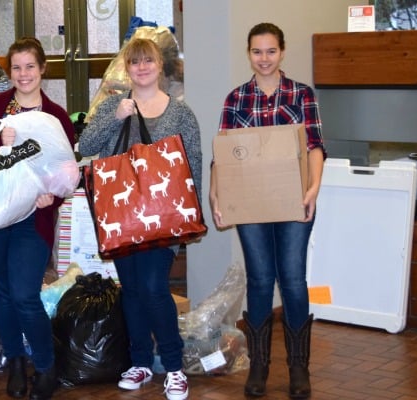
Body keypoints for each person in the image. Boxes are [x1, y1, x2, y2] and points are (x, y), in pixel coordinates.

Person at [77, 38, 201, 400]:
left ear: (160, 66)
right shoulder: (115, 105)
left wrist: (191, 218)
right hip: (124, 219)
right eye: (135, 62)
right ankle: (141, 362)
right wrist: (116, 118)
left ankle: (174, 367)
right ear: (127, 68)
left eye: (148, 61)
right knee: (131, 290)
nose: (142, 67)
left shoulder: (180, 113)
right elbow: (86, 146)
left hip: (164, 221)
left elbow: (191, 165)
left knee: (153, 288)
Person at [209, 22, 325, 399]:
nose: (264, 59)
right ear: (249, 54)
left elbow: (315, 148)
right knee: (260, 280)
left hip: (295, 202)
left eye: (271, 51)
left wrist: (313, 190)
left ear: (282, 52)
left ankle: (298, 369)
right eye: (257, 52)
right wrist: (216, 196)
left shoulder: (301, 94)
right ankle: (258, 366)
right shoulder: (236, 99)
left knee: (292, 279)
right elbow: (222, 157)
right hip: (252, 206)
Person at [0, 37, 75, 400]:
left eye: (30, 66)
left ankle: (45, 365)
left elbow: (66, 173)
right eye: (17, 67)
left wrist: (51, 198)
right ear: (10, 72)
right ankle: (15, 362)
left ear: (42, 69)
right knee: (3, 295)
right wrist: (0, 142)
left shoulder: (55, 116)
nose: (23, 74)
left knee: (25, 295)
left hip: (31, 221)